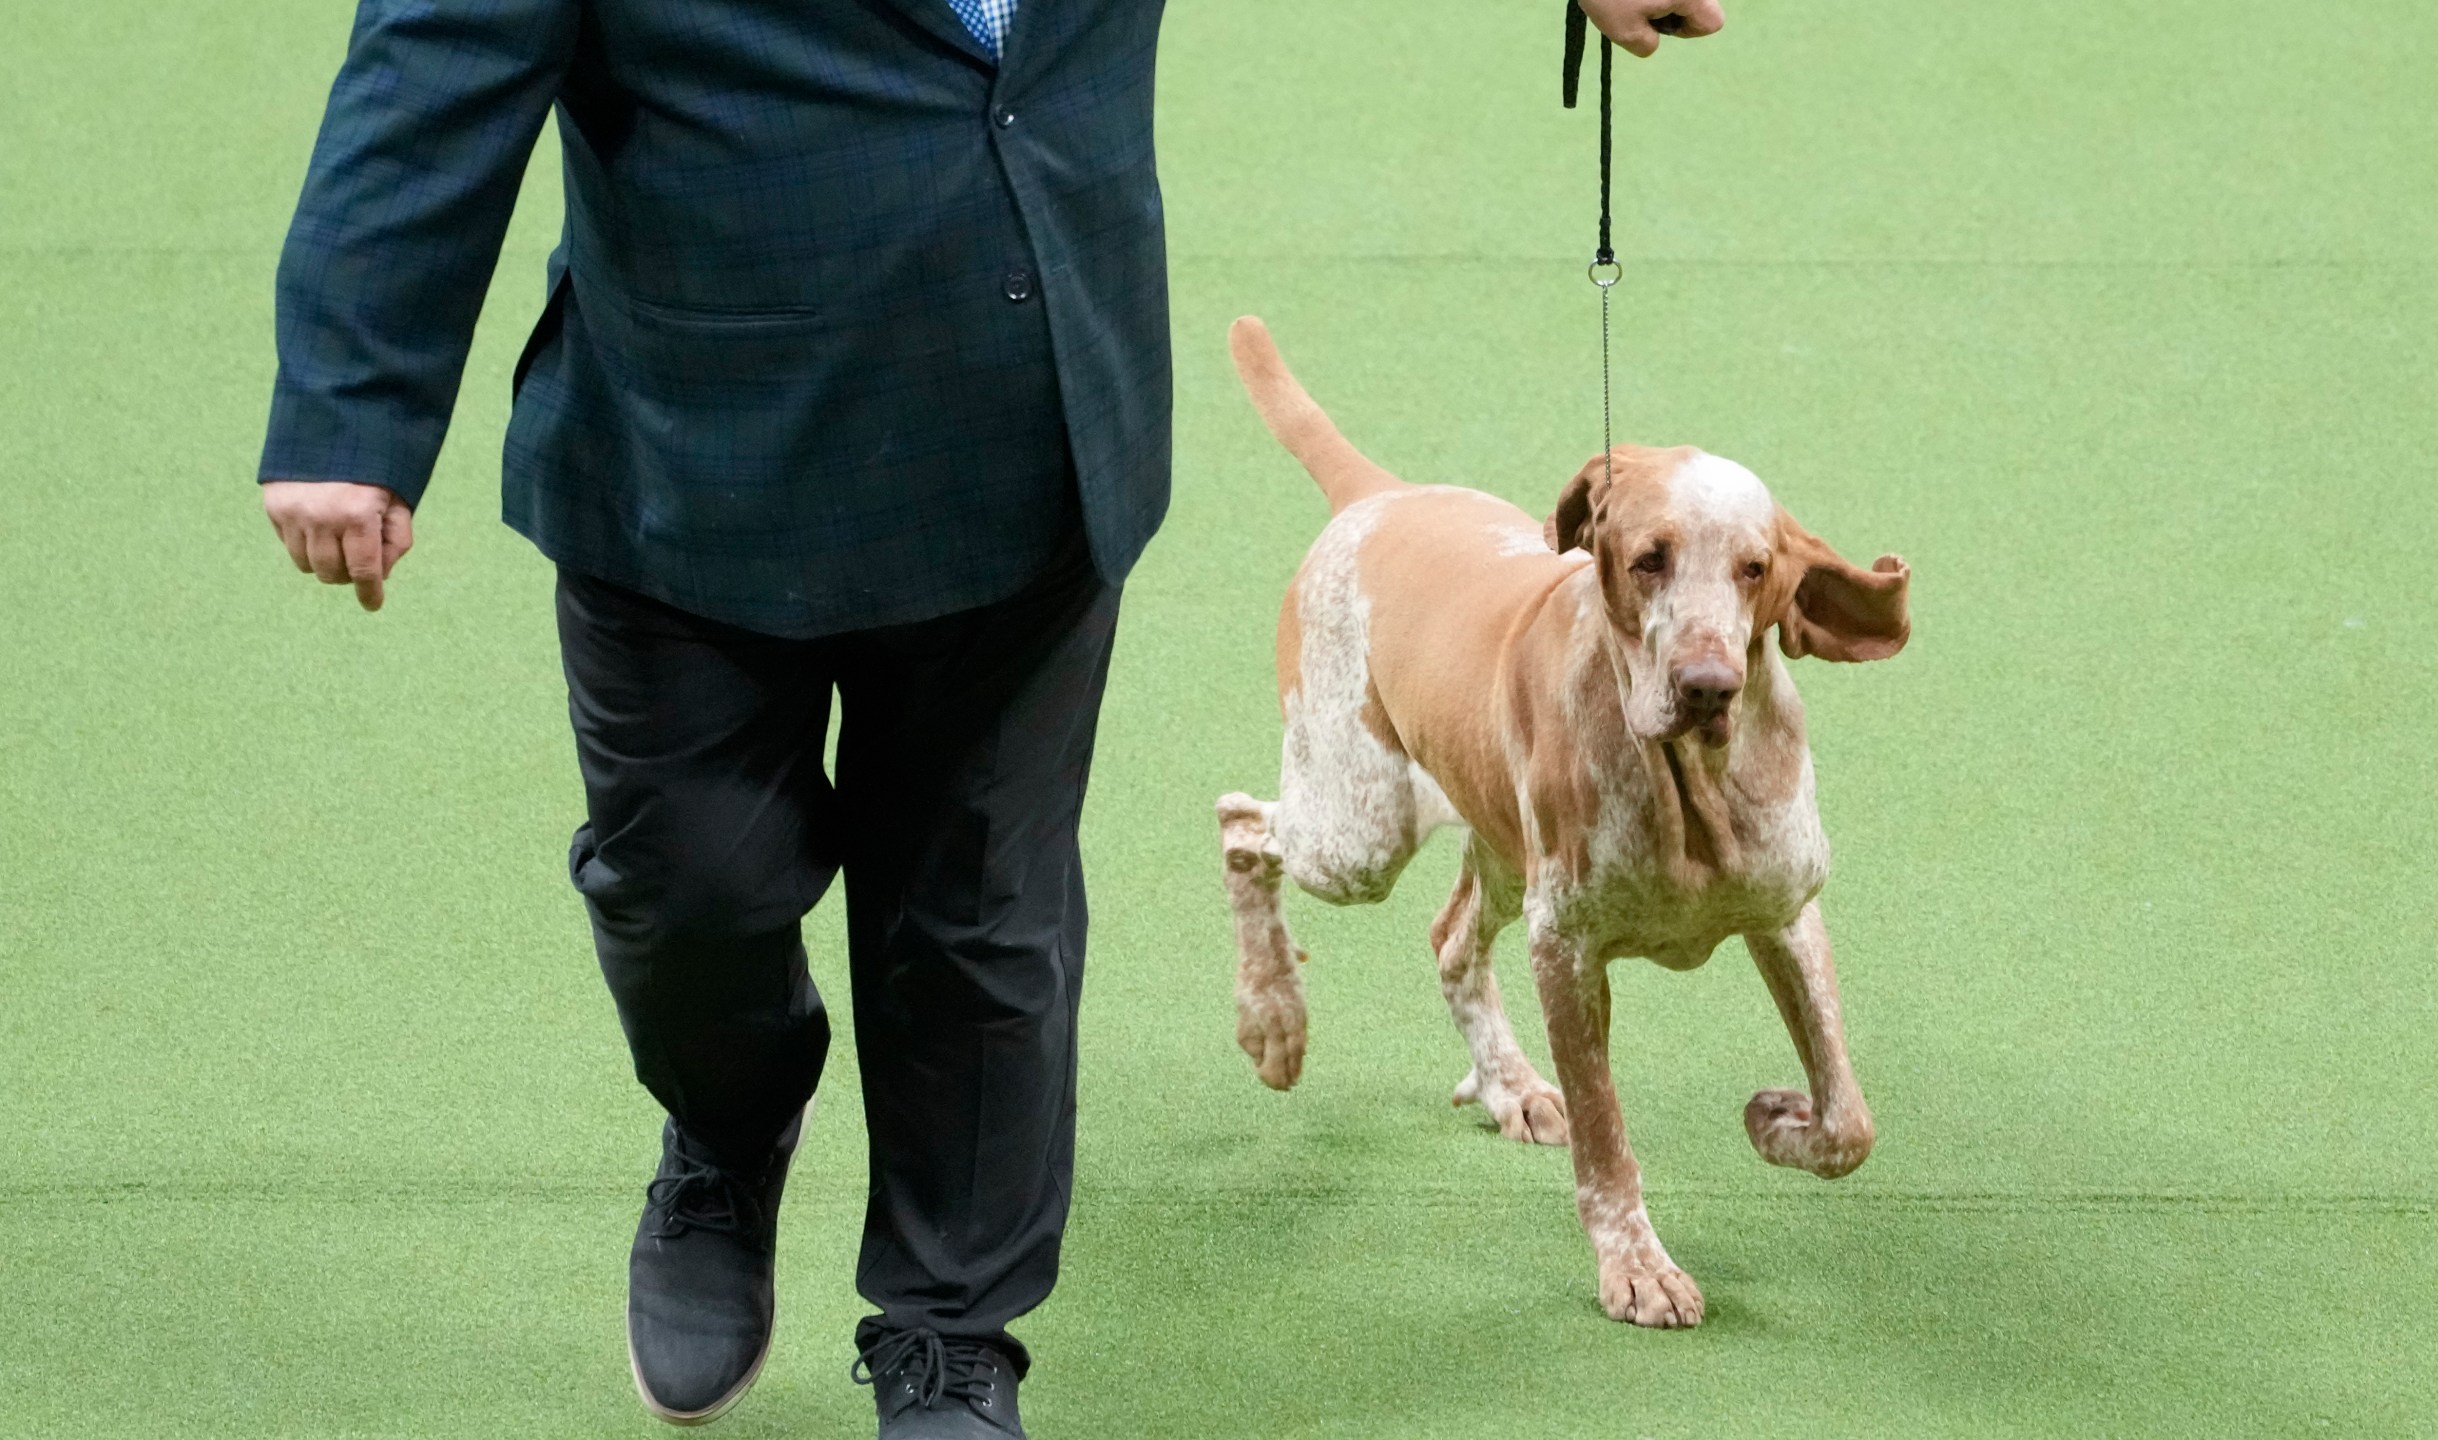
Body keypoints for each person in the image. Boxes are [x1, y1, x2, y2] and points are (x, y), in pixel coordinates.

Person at [255, 0, 1722, 1433]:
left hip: (1032, 434)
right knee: (692, 889)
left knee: (979, 915)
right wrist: (350, 407)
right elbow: (434, 54)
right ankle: (728, 1117)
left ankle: (949, 1335)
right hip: (691, 458)